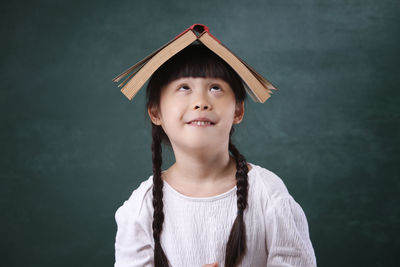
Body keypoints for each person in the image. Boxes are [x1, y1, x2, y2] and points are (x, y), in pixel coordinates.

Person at [114, 44, 317, 267]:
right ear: (155, 112)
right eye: (184, 87)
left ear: (238, 110)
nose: (201, 102)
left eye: (215, 88)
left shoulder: (268, 193)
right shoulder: (140, 208)